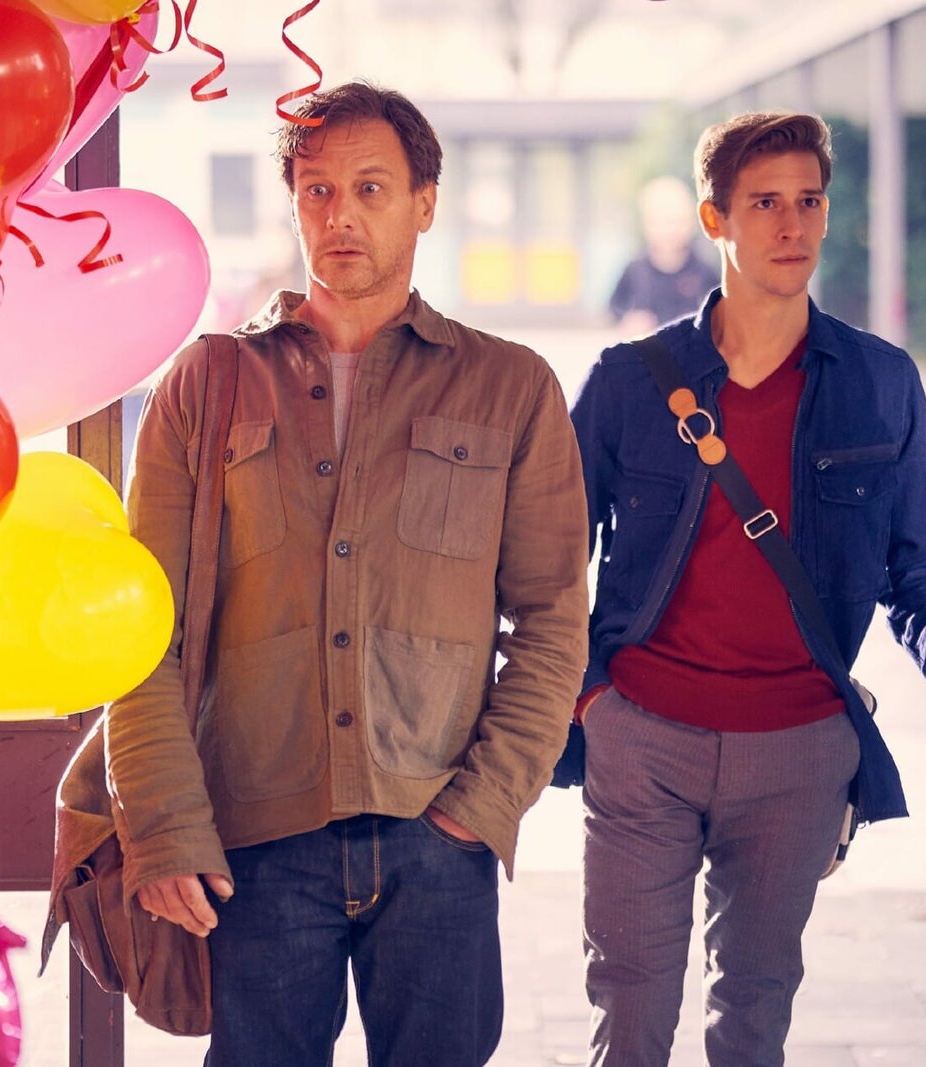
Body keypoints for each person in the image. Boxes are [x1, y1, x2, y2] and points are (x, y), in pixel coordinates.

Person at [107, 81, 590, 1065]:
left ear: (424, 203)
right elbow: (138, 624)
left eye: (370, 188)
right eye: (317, 190)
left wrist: (481, 807)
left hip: (438, 833)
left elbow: (551, 619)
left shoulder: (509, 386)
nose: (340, 215)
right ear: (292, 203)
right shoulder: (206, 382)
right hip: (255, 842)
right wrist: (165, 823)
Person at [564, 111, 926, 1065]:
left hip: (799, 748)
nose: (792, 224)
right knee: (630, 1005)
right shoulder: (629, 381)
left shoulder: (879, 382)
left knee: (755, 1010)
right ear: (715, 220)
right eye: (764, 204)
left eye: (809, 201)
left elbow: (915, 560)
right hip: (645, 736)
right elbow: (549, 555)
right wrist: (591, 699)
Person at [608, 175, 721, 336]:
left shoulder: (703, 270)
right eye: (663, 222)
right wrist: (628, 320)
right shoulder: (635, 269)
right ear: (647, 224)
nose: (671, 230)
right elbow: (615, 307)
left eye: (678, 221)